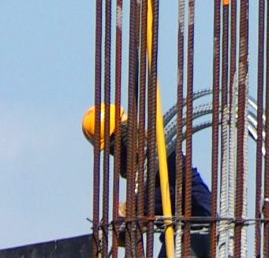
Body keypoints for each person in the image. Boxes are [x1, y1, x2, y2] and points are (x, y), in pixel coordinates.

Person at [85, 104, 215, 258]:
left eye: (114, 144)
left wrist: (134, 207)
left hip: (198, 225)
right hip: (177, 232)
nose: (115, 152)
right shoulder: (142, 168)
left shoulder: (162, 152)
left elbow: (171, 191)